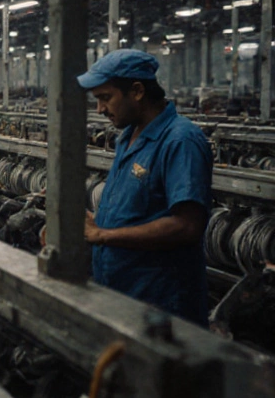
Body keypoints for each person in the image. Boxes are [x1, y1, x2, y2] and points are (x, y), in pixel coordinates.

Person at [77, 49, 211, 326]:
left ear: (137, 91)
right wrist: (97, 222)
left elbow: (187, 226)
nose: (100, 109)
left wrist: (103, 235)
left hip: (160, 308)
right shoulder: (128, 137)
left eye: (105, 98)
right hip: (121, 296)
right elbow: (137, 209)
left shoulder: (180, 140)